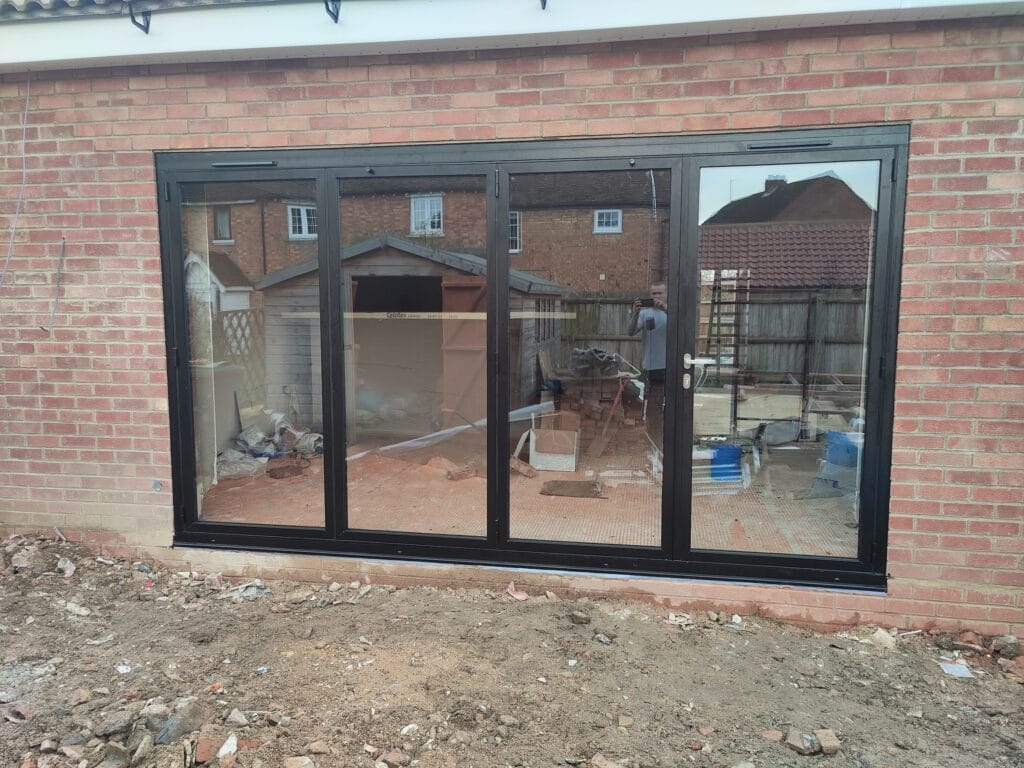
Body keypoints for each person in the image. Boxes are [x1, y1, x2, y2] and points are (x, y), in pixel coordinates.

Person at [628, 281, 668, 452]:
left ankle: (664, 444)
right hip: (650, 369)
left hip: (669, 368)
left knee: (666, 409)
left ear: (666, 294)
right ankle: (656, 445)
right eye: (653, 294)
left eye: (660, 293)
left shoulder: (672, 311)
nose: (656, 297)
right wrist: (635, 313)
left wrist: (665, 307)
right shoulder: (644, 314)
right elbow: (630, 332)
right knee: (652, 410)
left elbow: (683, 325)